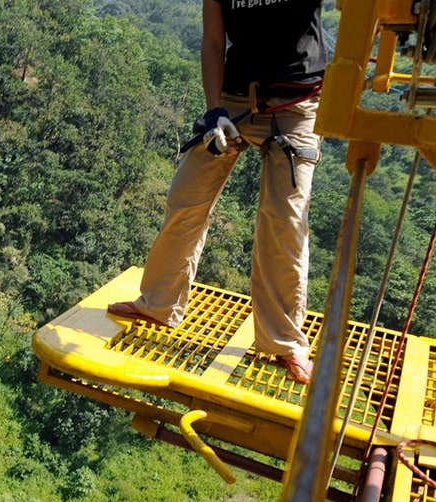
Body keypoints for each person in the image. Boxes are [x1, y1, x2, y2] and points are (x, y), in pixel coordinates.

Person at [107, 0, 326, 384]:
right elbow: (212, 41)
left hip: (295, 105)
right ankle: (159, 304)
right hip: (236, 98)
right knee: (186, 197)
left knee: (284, 221)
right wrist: (214, 110)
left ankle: (284, 342)